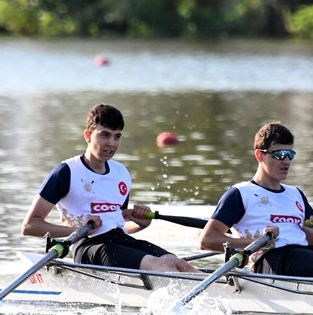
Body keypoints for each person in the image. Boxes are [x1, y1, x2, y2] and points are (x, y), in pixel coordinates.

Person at [22, 104, 198, 273]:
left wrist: (141, 224)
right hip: (88, 247)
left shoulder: (121, 173)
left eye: (117, 136)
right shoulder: (66, 172)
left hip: (121, 241)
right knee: (158, 266)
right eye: (105, 135)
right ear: (88, 136)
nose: (111, 143)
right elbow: (30, 226)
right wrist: (77, 230)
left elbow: (116, 223)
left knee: (180, 264)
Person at [199, 122, 313, 281]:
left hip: (301, 255)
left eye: (290, 155)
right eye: (279, 155)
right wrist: (255, 241)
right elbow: (207, 240)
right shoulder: (241, 193)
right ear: (259, 155)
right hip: (269, 259)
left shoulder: (295, 194)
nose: (286, 161)